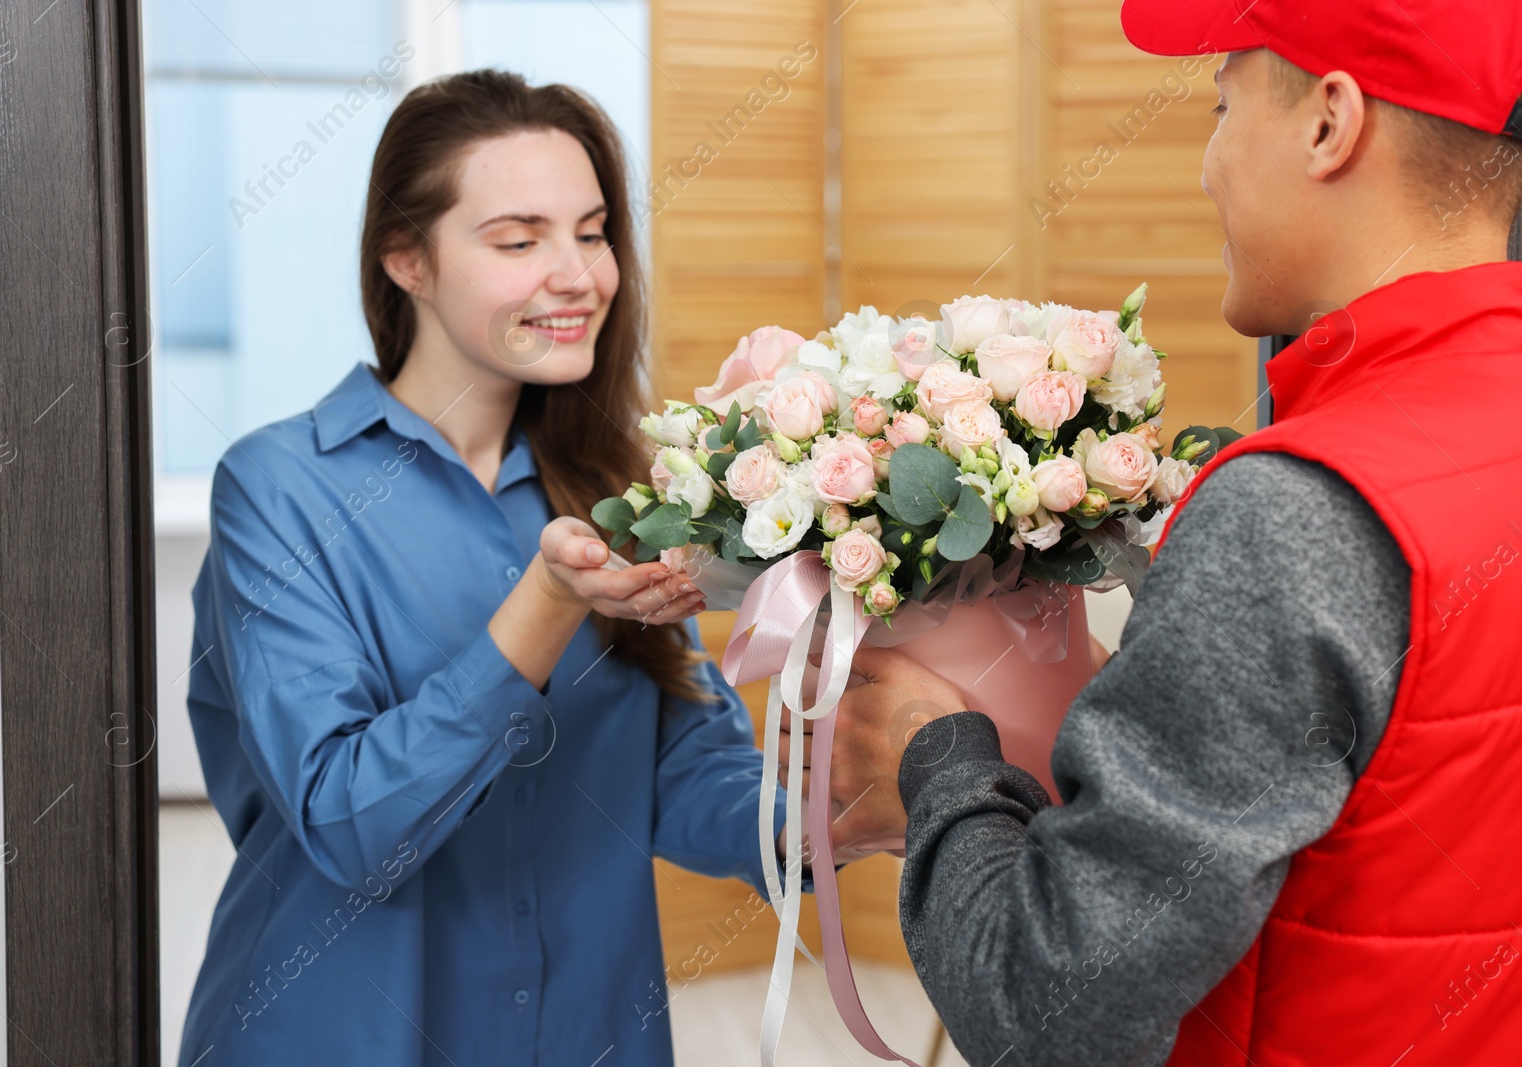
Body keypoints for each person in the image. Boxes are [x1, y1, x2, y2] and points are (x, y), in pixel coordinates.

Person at [809, 1, 1522, 1063]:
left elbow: (1048, 1008)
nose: (1207, 167)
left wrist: (934, 754)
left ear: (1330, 123)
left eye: (1222, 105)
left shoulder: (1296, 507)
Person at [178, 70, 803, 1066]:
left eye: (592, 231)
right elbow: (352, 824)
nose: (577, 275)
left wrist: (863, 798)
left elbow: (681, 774)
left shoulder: (623, 489)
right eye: (519, 240)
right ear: (406, 259)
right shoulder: (277, 488)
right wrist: (546, 602)